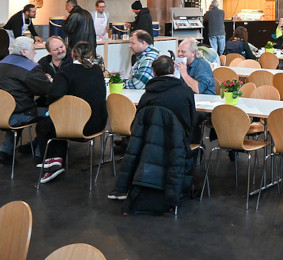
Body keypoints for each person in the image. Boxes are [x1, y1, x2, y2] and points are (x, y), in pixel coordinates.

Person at [108, 55, 196, 203]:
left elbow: (139, 123)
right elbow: (190, 122)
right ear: (174, 70)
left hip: (148, 142)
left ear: (153, 73)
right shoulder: (185, 92)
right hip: (176, 143)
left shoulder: (147, 95)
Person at [35, 41, 108, 183]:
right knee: (56, 122)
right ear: (92, 55)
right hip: (97, 124)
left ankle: (53, 160)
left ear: (72, 54)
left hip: (74, 125)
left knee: (45, 124)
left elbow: (55, 95)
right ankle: (56, 159)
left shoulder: (66, 71)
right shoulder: (97, 70)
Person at [0, 37, 52, 165]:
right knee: (51, 113)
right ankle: (39, 151)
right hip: (15, 116)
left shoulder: (0, 64)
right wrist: (48, 80)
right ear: (23, 51)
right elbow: (46, 90)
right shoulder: (30, 68)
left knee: (16, 109)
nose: (35, 52)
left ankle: (6, 151)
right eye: (33, 49)